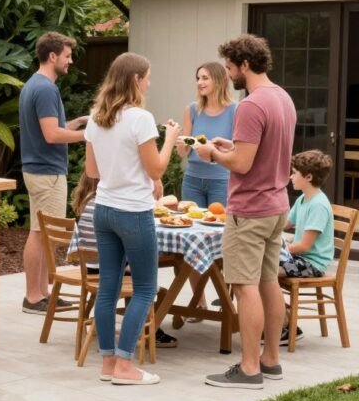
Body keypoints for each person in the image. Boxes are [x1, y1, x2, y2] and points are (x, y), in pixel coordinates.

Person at [195, 34, 296, 389]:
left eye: (229, 68)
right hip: (276, 205)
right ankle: (271, 360)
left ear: (245, 65)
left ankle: (249, 368)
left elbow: (241, 163)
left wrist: (213, 154)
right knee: (269, 283)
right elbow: (257, 150)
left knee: (244, 287)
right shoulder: (282, 97)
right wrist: (231, 146)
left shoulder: (252, 105)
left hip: (250, 209)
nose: (228, 74)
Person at [84, 52, 181, 384]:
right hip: (133, 212)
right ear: (136, 80)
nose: (149, 82)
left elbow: (92, 171)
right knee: (145, 288)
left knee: (108, 287)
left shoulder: (96, 117)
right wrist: (168, 139)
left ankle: (108, 362)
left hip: (104, 209)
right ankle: (126, 366)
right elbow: (156, 168)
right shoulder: (141, 118)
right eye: (147, 77)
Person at [19, 31, 89, 314]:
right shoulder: (46, 89)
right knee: (41, 233)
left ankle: (42, 294)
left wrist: (79, 122)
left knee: (42, 233)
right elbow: (51, 135)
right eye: (67, 56)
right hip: (46, 171)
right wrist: (89, 135)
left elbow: (53, 127)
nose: (70, 61)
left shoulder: (34, 85)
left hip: (39, 169)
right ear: (52, 56)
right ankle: (34, 297)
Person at [71, 173, 179, 348]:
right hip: (105, 267)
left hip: (90, 268)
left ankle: (110, 347)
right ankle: (145, 331)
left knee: (118, 285)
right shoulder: (116, 206)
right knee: (146, 286)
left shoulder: (89, 204)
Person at [176, 62, 237, 319]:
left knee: (224, 243)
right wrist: (180, 142)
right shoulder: (191, 110)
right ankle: (197, 303)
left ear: (219, 80)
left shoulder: (236, 110)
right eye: (198, 78)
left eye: (205, 78)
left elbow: (237, 150)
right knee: (191, 241)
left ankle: (227, 299)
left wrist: (215, 149)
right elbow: (183, 152)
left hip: (222, 180)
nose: (200, 83)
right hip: (193, 179)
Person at [275, 150, 335, 346]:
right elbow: (285, 224)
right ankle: (281, 315)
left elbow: (304, 246)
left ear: (308, 177)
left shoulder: (318, 205)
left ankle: (286, 326)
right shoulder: (303, 199)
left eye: (294, 173)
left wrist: (278, 248)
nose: (290, 176)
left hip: (312, 264)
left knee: (265, 271)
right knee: (258, 265)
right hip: (299, 259)